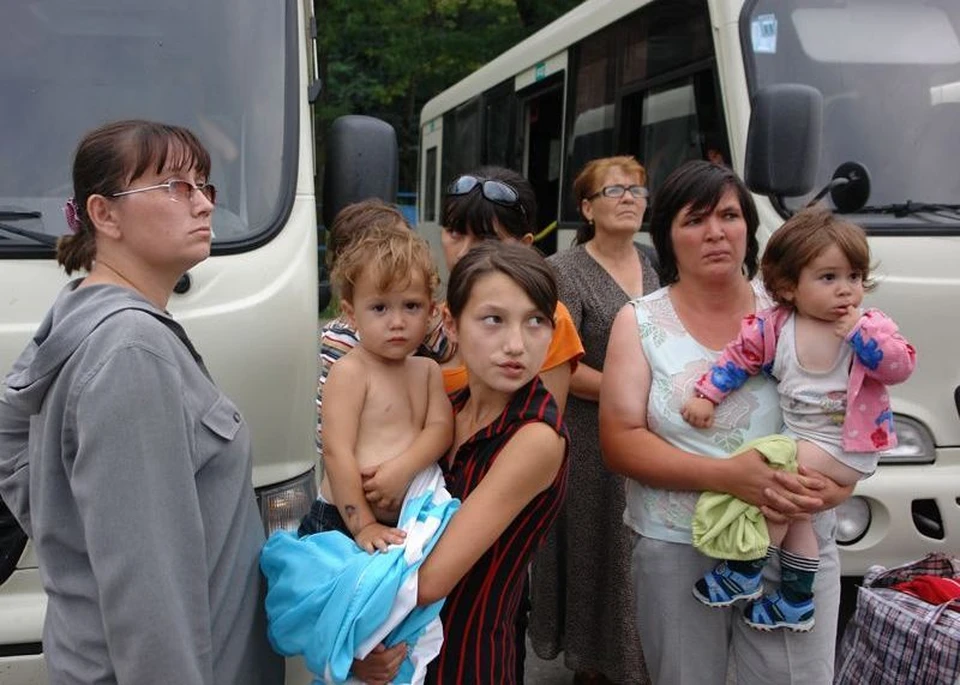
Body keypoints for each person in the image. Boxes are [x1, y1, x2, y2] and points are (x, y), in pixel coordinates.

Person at [0, 120, 283, 684]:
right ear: (104, 215)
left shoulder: (79, 317)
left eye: (205, 185)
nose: (202, 204)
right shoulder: (131, 351)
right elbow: (148, 596)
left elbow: (16, 446)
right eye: (176, 186)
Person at [599, 160, 854, 685]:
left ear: (750, 229)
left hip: (791, 539)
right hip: (679, 544)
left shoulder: (797, 310)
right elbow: (621, 443)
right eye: (694, 220)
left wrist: (834, 486)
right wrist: (729, 476)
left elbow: (855, 407)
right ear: (667, 236)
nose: (715, 232)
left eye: (729, 215)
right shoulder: (640, 321)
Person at [681, 207, 915, 631]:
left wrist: (862, 336)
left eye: (854, 277)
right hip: (802, 436)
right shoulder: (776, 327)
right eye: (828, 278)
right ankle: (795, 600)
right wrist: (708, 395)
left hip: (846, 446)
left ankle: (747, 569)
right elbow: (738, 359)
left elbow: (899, 366)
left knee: (773, 478)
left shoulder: (868, 326)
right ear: (788, 286)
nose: (846, 291)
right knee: (798, 514)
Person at [352, 241, 569, 685]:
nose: (516, 344)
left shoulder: (534, 437)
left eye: (535, 322)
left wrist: (343, 632)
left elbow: (429, 583)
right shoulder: (447, 410)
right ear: (449, 321)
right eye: (494, 319)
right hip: (399, 656)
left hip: (468, 661)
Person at [530, 155, 657, 684]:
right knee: (597, 548)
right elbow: (562, 365)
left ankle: (635, 659)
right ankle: (595, 665)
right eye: (614, 191)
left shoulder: (654, 263)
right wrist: (636, 394)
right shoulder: (565, 270)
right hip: (590, 438)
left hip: (651, 433)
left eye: (636, 190)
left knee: (638, 552)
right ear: (587, 207)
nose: (628, 198)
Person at [319, 219, 453, 551]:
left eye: (412, 306)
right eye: (379, 308)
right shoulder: (350, 372)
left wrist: (403, 468)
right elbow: (337, 452)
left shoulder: (426, 371)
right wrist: (363, 524)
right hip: (343, 522)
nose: (397, 322)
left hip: (406, 521)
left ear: (432, 311)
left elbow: (441, 428)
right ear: (351, 314)